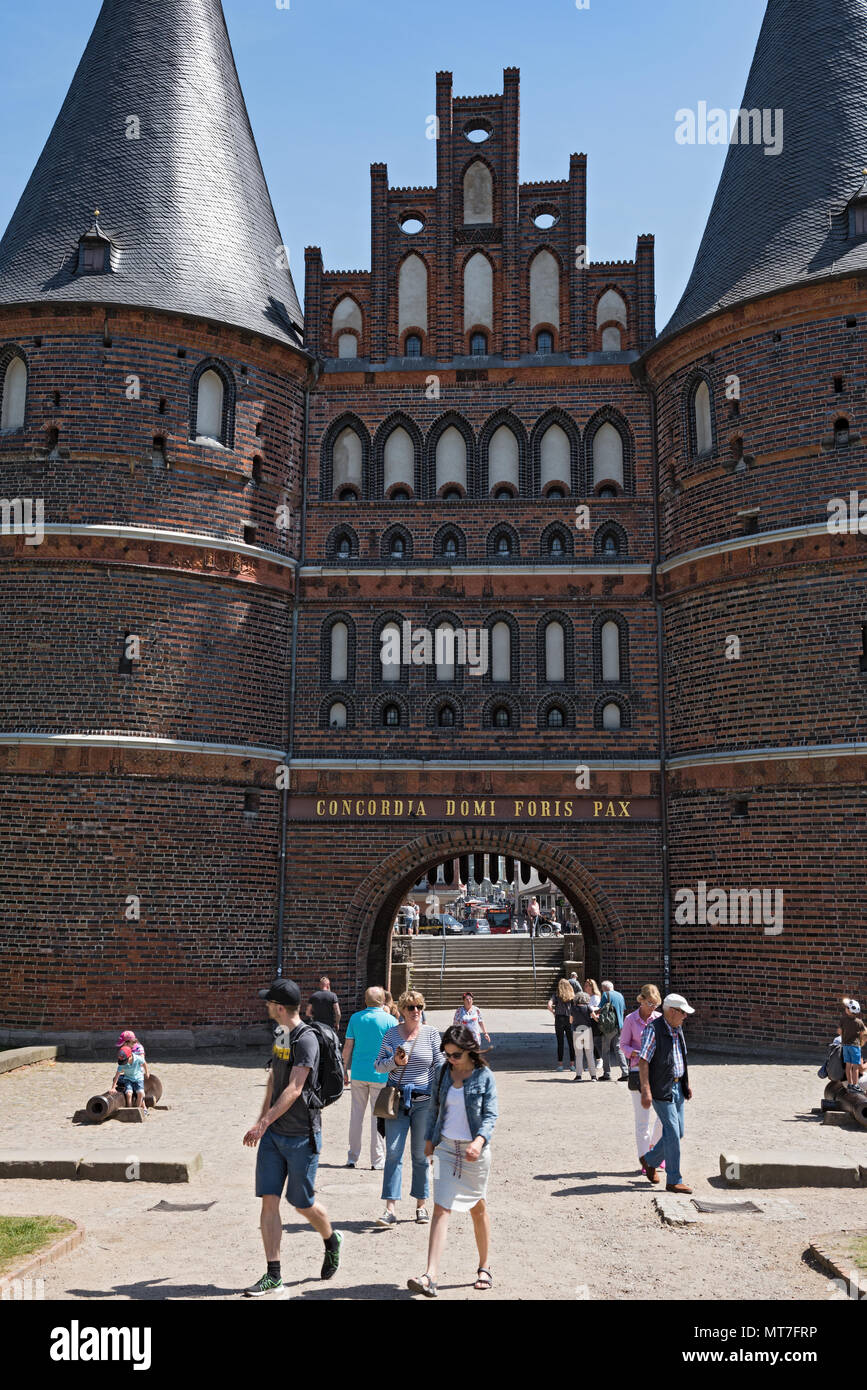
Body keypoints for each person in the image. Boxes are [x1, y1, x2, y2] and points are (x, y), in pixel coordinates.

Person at [242, 978, 342, 1297]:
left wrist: (264, 1122)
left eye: (269, 1003)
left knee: (302, 1204)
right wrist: (263, 1122)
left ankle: (331, 1239)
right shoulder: (281, 1033)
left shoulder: (307, 1040)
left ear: (280, 1008)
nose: (266, 1007)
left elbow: (295, 1088)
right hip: (274, 1137)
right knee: (268, 1201)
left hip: (302, 1136)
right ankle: (274, 1274)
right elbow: (275, 1078)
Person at [407, 1025, 499, 1297]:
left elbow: (491, 1116)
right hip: (445, 1149)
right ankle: (430, 1276)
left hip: (475, 1152)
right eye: (447, 1054)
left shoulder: (485, 1076)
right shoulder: (443, 1072)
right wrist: (428, 1140)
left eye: (456, 1055)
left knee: (477, 1208)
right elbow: (434, 1107)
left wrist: (479, 1141)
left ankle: (484, 1266)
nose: (451, 1059)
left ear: (470, 1050)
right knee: (440, 1208)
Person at [373, 991, 441, 1228]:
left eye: (419, 1006)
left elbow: (440, 1064)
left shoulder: (431, 1034)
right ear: (401, 1010)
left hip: (424, 1101)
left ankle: (421, 1205)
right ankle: (390, 1208)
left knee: (421, 1156)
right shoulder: (391, 1034)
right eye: (411, 1007)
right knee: (393, 1153)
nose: (416, 1011)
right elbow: (378, 1065)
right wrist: (395, 1062)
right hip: (397, 1100)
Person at [638, 992, 695, 1194]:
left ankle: (650, 1160)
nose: (685, 1016)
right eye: (682, 1012)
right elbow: (643, 1060)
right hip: (662, 1087)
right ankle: (674, 1179)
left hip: (677, 1086)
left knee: (678, 1133)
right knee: (671, 1131)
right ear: (671, 1011)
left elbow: (681, 1058)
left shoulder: (677, 1029)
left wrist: (685, 1082)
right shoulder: (653, 1030)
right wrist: (646, 1090)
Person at [342, 987, 394, 1170]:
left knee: (356, 1116)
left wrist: (343, 1069)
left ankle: (352, 1157)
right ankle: (377, 1160)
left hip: (358, 1072)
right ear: (383, 1001)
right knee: (378, 1117)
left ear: (365, 1000)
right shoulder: (390, 1020)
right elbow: (395, 1050)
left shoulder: (355, 1018)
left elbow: (348, 1046)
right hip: (381, 1074)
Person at [620, 985, 663, 1173]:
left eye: (655, 1004)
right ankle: (646, 1160)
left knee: (664, 1118)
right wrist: (635, 1053)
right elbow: (623, 1045)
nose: (653, 1007)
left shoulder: (660, 1019)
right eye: (649, 1003)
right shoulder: (631, 1019)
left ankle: (654, 1148)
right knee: (642, 1120)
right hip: (638, 1071)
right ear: (641, 1000)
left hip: (657, 1072)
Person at [598, 979, 629, 1081]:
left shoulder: (606, 995)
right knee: (619, 1049)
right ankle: (625, 1073)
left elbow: (600, 1008)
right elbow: (623, 1010)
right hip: (620, 1026)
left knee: (605, 1050)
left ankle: (607, 1074)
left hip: (609, 1027)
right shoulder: (620, 995)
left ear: (604, 988)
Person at [547, 980, 576, 1072]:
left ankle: (560, 1065)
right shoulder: (572, 995)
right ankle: (572, 1065)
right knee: (571, 1042)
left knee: (560, 1042)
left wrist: (554, 1012)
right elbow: (574, 1008)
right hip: (569, 1018)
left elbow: (549, 1005)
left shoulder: (556, 995)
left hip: (559, 1019)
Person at [111, 1043, 149, 1112]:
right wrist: (113, 1088)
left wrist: (147, 1073)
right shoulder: (122, 1063)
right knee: (128, 1093)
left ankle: (138, 1109)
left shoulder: (138, 1058)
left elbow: (144, 1063)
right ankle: (129, 1108)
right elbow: (117, 1075)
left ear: (130, 1056)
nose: (123, 1063)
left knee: (140, 1093)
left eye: (124, 1061)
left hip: (138, 1078)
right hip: (128, 1078)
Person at [571, 990, 598, 1080]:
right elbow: (594, 1018)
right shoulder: (588, 1007)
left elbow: (570, 1021)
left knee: (578, 1054)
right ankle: (593, 1076)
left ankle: (579, 1075)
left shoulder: (573, 1008)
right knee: (589, 1053)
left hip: (577, 1030)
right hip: (587, 1030)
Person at [840, 999, 865, 1091]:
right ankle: (855, 1085)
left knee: (848, 1066)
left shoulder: (843, 1020)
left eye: (846, 1008)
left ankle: (850, 1084)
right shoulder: (859, 1022)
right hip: (855, 1046)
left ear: (849, 1010)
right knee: (855, 1067)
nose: (845, 1009)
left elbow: (840, 1031)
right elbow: (862, 1033)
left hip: (845, 1045)